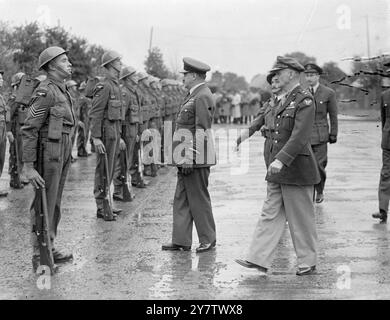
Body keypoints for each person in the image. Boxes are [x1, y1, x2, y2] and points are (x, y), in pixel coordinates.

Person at [235, 56, 320, 276]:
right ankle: (257, 258)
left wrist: (281, 159)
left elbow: (300, 136)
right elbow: (261, 118)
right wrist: (244, 134)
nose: (274, 77)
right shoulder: (276, 99)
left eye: (278, 73)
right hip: (274, 167)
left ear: (291, 73)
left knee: (300, 217)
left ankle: (307, 261)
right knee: (269, 213)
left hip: (295, 168)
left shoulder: (304, 100)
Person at [21, 46, 75, 270]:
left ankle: (49, 246)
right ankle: (39, 253)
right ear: (52, 66)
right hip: (49, 154)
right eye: (64, 61)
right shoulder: (45, 92)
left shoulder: (62, 90)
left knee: (55, 203)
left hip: (60, 152)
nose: (69, 63)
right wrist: (28, 166)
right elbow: (29, 129)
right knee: (43, 203)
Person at [162, 57, 217, 253]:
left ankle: (208, 239)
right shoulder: (194, 94)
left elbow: (201, 129)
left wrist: (189, 157)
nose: (183, 78)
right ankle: (181, 240)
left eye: (185, 75)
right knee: (182, 198)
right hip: (186, 156)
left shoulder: (202, 95)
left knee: (198, 199)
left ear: (193, 76)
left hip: (195, 159)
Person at [89, 50, 125, 221]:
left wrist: (120, 136)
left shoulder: (116, 86)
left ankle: (106, 204)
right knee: (102, 170)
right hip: (104, 135)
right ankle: (101, 206)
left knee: (109, 170)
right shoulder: (104, 86)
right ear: (111, 64)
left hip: (114, 134)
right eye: (118, 61)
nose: (121, 64)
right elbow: (95, 113)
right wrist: (95, 138)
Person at [304, 63, 338, 203]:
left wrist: (333, 133)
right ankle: (309, 193)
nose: (309, 78)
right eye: (307, 75)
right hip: (304, 136)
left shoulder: (328, 93)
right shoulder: (301, 92)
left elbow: (333, 115)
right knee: (306, 166)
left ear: (318, 76)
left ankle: (319, 190)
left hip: (320, 135)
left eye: (312, 75)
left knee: (319, 165)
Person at [235, 72, 283, 166]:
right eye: (272, 82)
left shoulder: (292, 102)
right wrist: (238, 141)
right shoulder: (268, 104)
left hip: (284, 145)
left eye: (277, 82)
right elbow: (254, 126)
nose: (273, 85)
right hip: (269, 145)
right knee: (270, 176)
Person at [372, 62, 390, 223]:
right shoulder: (385, 96)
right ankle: (383, 210)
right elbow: (384, 119)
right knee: (385, 175)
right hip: (389, 143)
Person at [8, 72, 29, 189]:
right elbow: (8, 116)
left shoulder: (23, 99)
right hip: (16, 130)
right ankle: (15, 179)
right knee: (15, 154)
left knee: (22, 155)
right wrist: (9, 131)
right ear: (16, 86)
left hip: (23, 130)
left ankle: (20, 175)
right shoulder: (13, 99)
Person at [0, 69, 14, 197]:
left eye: (1, 78)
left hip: (2, 130)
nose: (1, 80)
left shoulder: (1, 97)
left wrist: (7, 131)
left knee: (1, 158)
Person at [76, 81, 91, 157]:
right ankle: (80, 151)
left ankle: (83, 149)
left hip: (87, 120)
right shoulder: (81, 98)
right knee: (82, 135)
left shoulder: (86, 99)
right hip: (82, 119)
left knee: (86, 135)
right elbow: (77, 110)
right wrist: (78, 120)